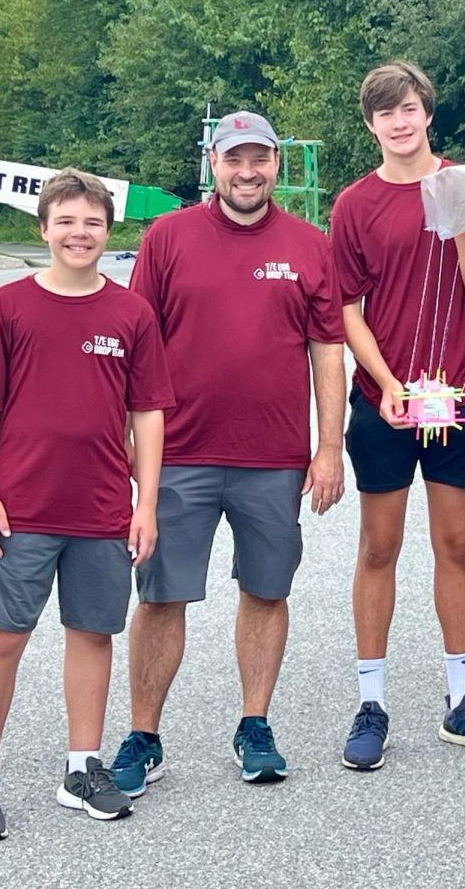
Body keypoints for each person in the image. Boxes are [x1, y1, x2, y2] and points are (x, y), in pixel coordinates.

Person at [110, 111, 346, 790]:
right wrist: (130, 436)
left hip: (273, 457)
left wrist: (329, 448)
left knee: (266, 591)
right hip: (180, 452)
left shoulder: (309, 244)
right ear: (213, 164)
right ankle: (143, 736)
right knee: (161, 596)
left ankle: (255, 726)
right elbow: (136, 340)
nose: (248, 172)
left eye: (260, 159)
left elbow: (326, 349)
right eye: (234, 159)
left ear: (276, 164)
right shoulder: (168, 237)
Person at [0, 169, 174, 841]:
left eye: (93, 222)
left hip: (102, 509)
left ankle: (82, 767)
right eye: (68, 221)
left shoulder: (130, 313)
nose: (80, 233)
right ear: (43, 228)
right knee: (2, 640)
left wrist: (147, 504)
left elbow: (147, 414)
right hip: (21, 510)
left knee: (93, 634)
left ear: (109, 232)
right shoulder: (8, 307)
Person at [331, 61, 465, 771]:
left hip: (461, 395)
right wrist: (385, 383)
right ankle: (371, 703)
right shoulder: (354, 204)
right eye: (385, 113)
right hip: (386, 402)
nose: (399, 122)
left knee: (457, 546)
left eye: (409, 108)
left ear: (427, 113)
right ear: (372, 124)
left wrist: (464, 219)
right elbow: (347, 308)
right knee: (378, 548)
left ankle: (462, 701)